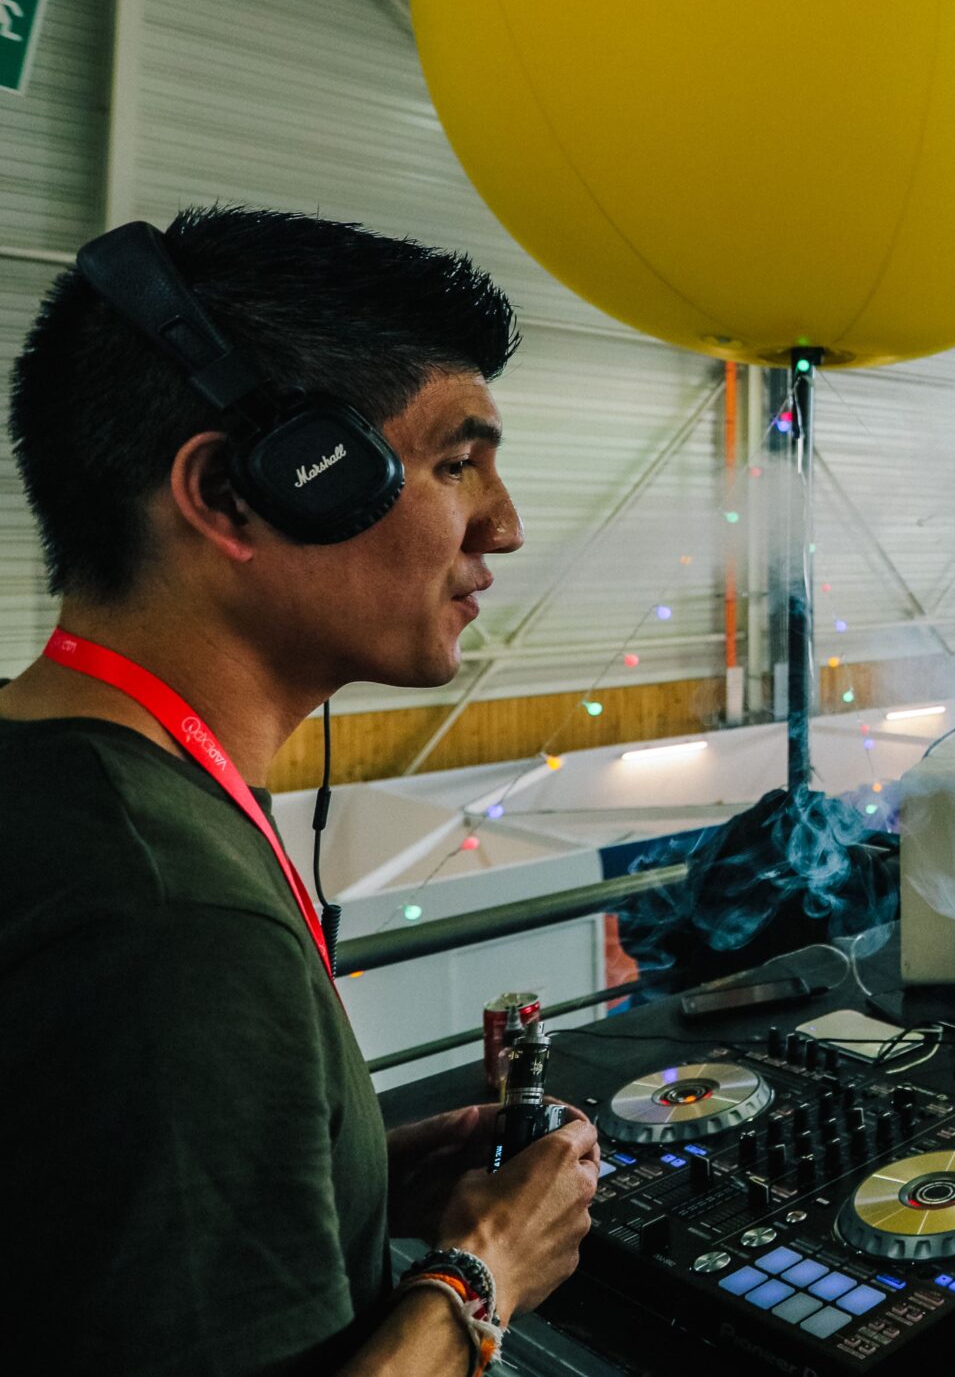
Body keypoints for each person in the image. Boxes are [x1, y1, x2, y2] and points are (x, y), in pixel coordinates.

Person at [1, 210, 599, 1374]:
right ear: (237, 491)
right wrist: (485, 1274)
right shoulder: (173, 923)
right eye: (455, 463)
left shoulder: (61, 780)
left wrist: (337, 1177)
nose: (506, 525)